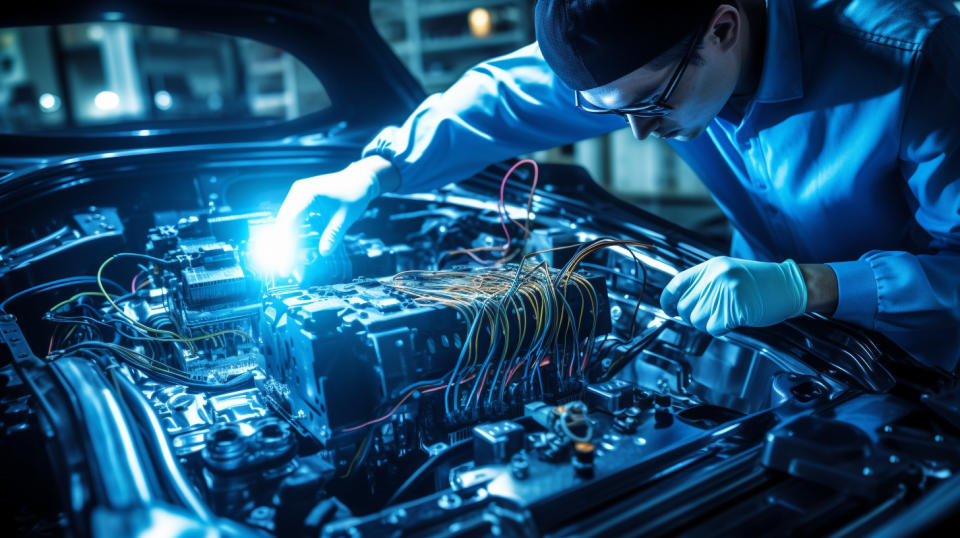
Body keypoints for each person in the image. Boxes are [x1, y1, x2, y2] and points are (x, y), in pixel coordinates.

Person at [276, 0, 960, 371]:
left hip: (931, 373)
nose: (636, 132)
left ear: (722, 28)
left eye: (651, 106)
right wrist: (377, 170)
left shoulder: (913, 60)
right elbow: (499, 96)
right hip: (778, 341)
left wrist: (809, 285)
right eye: (615, 112)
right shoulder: (640, 60)